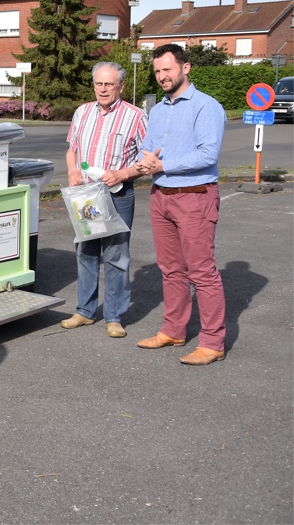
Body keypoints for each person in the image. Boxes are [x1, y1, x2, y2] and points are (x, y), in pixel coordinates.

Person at [135, 43, 227, 365]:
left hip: (196, 196)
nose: (161, 76)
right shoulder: (158, 110)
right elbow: (146, 148)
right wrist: (144, 163)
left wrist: (163, 165)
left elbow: (207, 154)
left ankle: (213, 343)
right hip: (161, 196)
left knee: (202, 271)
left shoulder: (206, 106)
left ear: (185, 68)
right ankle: (174, 330)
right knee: (171, 270)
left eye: (167, 70)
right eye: (157, 71)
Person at [60, 62, 147, 338]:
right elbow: (72, 149)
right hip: (86, 196)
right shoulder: (82, 112)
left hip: (118, 195)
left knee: (116, 256)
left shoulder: (135, 116)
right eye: (99, 83)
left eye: (109, 84)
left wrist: (122, 173)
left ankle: (113, 316)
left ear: (121, 86)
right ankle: (84, 311)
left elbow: (148, 161)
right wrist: (72, 170)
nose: (103, 89)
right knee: (85, 253)